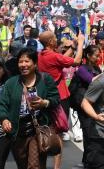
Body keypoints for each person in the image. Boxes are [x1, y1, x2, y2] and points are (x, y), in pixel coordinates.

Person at [0, 48, 61, 169]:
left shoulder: (45, 79)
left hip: (38, 129)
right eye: (21, 62)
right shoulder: (11, 83)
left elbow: (56, 99)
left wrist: (45, 103)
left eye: (27, 61)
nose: (23, 65)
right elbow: (1, 104)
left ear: (35, 64)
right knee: (22, 164)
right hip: (17, 131)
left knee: (34, 165)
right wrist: (4, 119)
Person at [37, 29, 84, 168]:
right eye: (55, 38)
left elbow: (62, 59)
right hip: (60, 96)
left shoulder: (42, 55)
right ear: (51, 41)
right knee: (59, 131)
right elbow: (76, 61)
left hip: (45, 96)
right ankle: (57, 167)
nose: (57, 39)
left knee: (44, 130)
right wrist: (81, 43)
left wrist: (73, 46)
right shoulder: (53, 56)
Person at [68, 45, 101, 168]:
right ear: (88, 55)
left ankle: (88, 159)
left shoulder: (97, 68)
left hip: (94, 105)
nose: (98, 58)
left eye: (99, 55)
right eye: (96, 55)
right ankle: (88, 161)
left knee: (93, 133)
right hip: (83, 105)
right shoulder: (82, 68)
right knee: (89, 133)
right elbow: (92, 81)